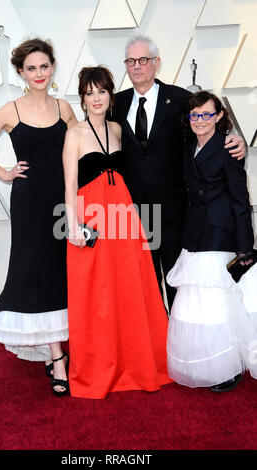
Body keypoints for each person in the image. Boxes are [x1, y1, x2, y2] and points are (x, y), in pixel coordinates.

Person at [0, 38, 77, 396]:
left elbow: (80, 152)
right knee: (34, 272)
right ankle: (58, 357)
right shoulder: (11, 109)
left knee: (58, 272)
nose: (39, 74)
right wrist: (4, 172)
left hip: (62, 201)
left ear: (53, 68)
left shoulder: (65, 109)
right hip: (29, 203)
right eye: (31, 68)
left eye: (44, 66)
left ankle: (51, 346)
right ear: (21, 73)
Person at [111, 34, 245, 310]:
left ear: (156, 63)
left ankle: (178, 339)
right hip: (135, 211)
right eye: (131, 61)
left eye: (143, 60)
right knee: (144, 285)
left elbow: (206, 123)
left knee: (178, 283)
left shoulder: (180, 99)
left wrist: (235, 139)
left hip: (175, 209)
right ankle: (156, 345)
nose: (137, 66)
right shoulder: (116, 104)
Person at [62, 66, 172, 399]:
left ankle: (138, 363)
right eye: (89, 92)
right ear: (82, 98)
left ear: (111, 95)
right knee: (96, 295)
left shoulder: (119, 128)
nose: (96, 98)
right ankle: (98, 368)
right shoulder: (75, 134)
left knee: (130, 289)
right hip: (91, 218)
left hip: (125, 218)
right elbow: (69, 184)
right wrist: (72, 226)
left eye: (102, 92)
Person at [166, 90, 257, 393]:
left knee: (217, 305)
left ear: (219, 116)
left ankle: (227, 368)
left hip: (220, 233)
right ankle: (202, 361)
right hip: (194, 233)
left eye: (207, 114)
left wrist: (245, 245)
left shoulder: (228, 148)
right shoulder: (188, 145)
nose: (200, 120)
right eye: (195, 115)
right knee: (193, 306)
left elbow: (240, 198)